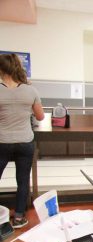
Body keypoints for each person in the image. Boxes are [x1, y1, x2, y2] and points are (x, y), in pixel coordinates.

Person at [0, 53, 44, 229]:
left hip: (2, 142)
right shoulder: (30, 90)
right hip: (25, 142)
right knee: (23, 180)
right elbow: (40, 116)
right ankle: (19, 217)